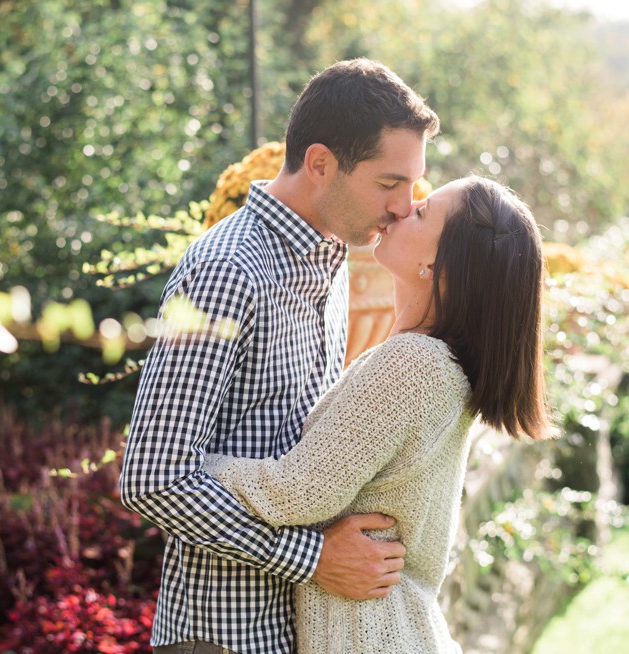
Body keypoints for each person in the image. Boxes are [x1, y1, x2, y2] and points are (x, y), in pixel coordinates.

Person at [120, 58, 440, 654]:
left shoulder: (333, 255)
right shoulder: (226, 271)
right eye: (389, 183)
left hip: (303, 630)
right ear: (320, 164)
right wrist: (312, 558)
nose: (403, 206)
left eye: (413, 187)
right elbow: (153, 480)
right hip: (223, 636)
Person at [203, 175, 554, 653]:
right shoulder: (432, 364)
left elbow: (296, 494)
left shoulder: (413, 364)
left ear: (438, 264)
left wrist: (188, 468)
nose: (404, 208)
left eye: (424, 211)